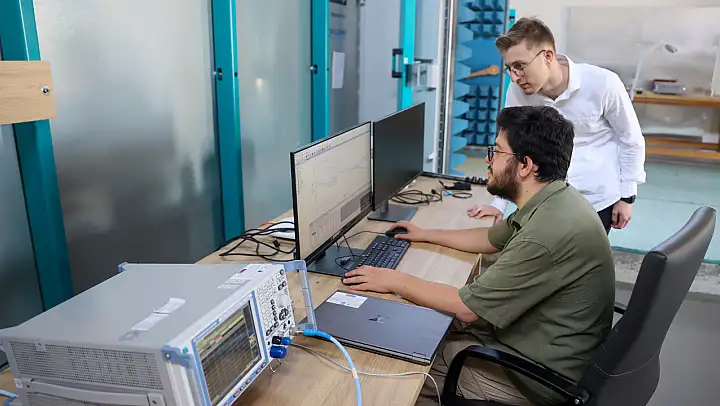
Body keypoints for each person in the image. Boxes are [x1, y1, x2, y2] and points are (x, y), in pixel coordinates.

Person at [342, 106, 615, 406]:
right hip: (537, 343)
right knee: (421, 327)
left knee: (403, 372)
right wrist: (426, 233)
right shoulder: (555, 200)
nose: (488, 160)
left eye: (496, 151)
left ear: (525, 165)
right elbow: (489, 238)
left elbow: (466, 308)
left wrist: (395, 280)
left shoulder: (546, 233)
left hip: (535, 378)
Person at [467, 17, 646, 234]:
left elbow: (631, 140)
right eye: (510, 68)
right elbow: (510, 149)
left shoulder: (604, 83)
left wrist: (627, 197)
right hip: (542, 200)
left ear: (548, 56)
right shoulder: (517, 92)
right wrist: (498, 204)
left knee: (584, 256)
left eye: (520, 66)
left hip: (596, 201)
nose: (514, 78)